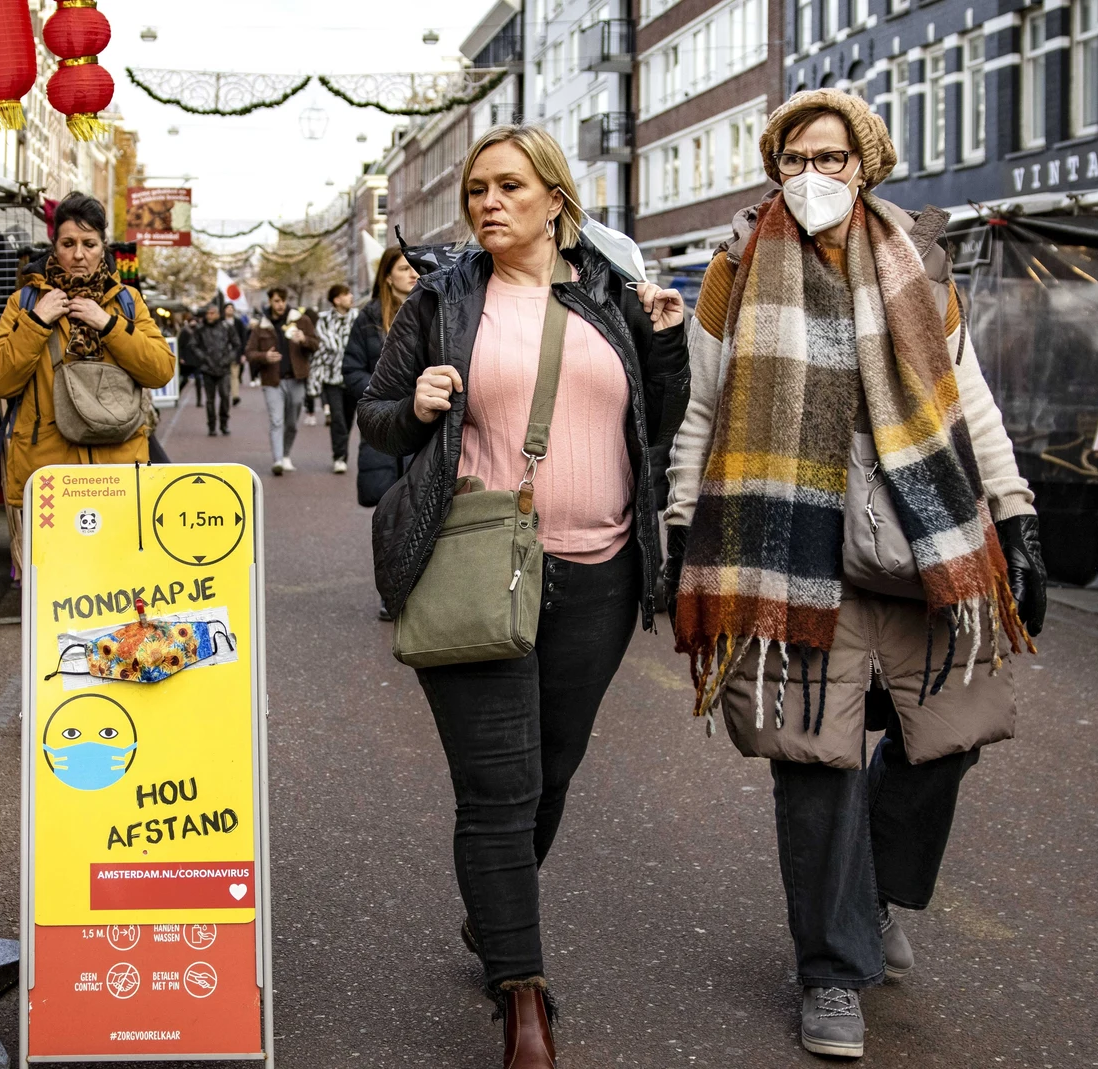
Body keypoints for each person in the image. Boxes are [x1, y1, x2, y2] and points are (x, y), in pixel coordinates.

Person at [661, 90, 1047, 1060]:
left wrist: (1016, 515)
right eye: (795, 157)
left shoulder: (917, 261)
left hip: (919, 540)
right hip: (790, 548)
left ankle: (873, 890)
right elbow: (702, 414)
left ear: (866, 165)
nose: (813, 175)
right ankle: (831, 972)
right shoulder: (735, 269)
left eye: (831, 157)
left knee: (949, 734)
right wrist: (678, 529)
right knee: (814, 761)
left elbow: (970, 405)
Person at [356, 124, 690, 1069]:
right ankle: (524, 997)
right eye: (475, 192)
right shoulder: (442, 299)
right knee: (498, 788)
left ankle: (493, 912)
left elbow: (657, 424)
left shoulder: (611, 296)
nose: (488, 204)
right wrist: (415, 403)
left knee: (551, 771)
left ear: (555, 198)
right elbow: (374, 415)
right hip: (476, 563)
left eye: (508, 186)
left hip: (602, 574)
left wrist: (666, 347)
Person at [0, 193, 175, 564]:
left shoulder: (126, 301)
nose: (79, 254)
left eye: (89, 244)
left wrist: (109, 325)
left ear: (103, 248)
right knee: (55, 584)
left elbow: (160, 369)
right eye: (68, 243)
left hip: (118, 472)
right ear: (54, 247)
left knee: (116, 580)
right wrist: (37, 322)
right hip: (51, 476)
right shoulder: (24, 302)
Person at [344, 247, 420, 512]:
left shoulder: (435, 310)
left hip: (422, 422)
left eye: (414, 267)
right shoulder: (368, 318)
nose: (413, 273)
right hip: (383, 422)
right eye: (403, 268)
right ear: (387, 277)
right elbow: (351, 371)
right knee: (387, 511)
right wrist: (382, 394)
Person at [246, 288, 317, 475]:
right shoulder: (262, 325)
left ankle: (286, 455)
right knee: (276, 420)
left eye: (283, 301)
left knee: (292, 422)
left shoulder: (302, 321)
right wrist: (264, 356)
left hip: (296, 378)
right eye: (276, 301)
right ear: (270, 301)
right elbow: (249, 352)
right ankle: (277, 460)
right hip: (272, 381)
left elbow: (316, 344)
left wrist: (304, 339)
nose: (280, 305)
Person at [310, 283, 358, 473]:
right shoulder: (324, 320)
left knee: (347, 419)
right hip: (332, 378)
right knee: (337, 418)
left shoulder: (357, 318)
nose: (351, 296)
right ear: (337, 299)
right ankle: (339, 456)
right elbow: (328, 344)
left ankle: (342, 452)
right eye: (347, 294)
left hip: (352, 377)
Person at [181, 301, 242, 436]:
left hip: (224, 367)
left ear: (218, 314)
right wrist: (203, 357)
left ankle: (224, 423)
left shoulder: (227, 327)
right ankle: (212, 425)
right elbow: (193, 345)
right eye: (208, 313)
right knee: (210, 399)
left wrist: (229, 358)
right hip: (207, 368)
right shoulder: (201, 329)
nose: (210, 316)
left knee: (225, 396)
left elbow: (237, 344)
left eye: (212, 313)